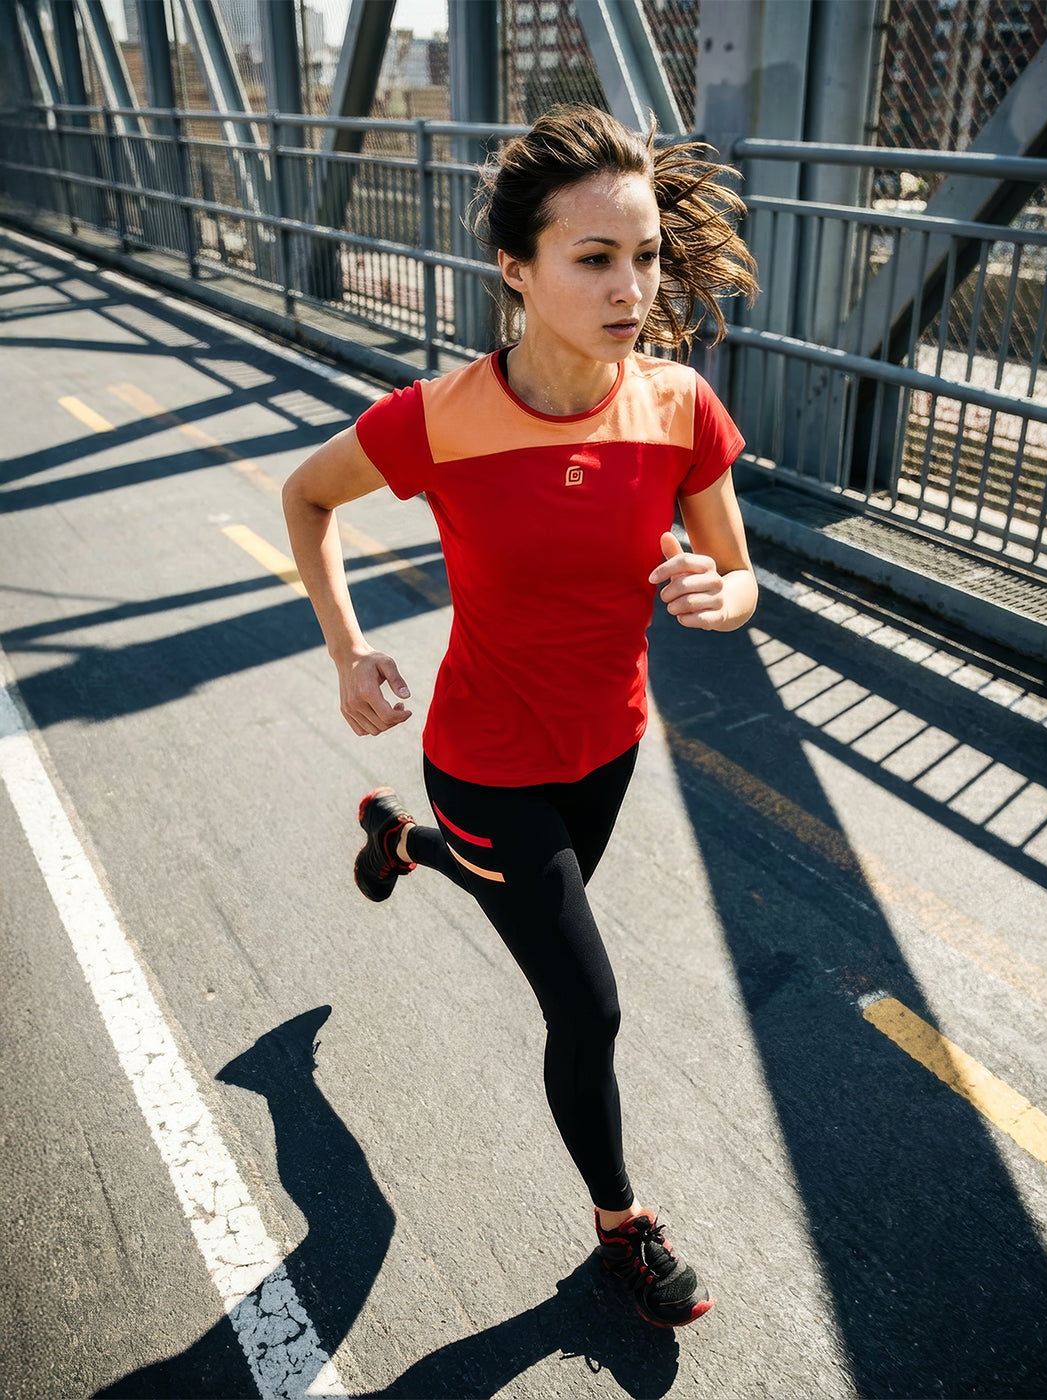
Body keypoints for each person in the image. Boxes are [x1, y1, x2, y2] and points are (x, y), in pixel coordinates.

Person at [282, 104, 759, 1329]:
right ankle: (620, 1228)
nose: (630, 286)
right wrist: (348, 653)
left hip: (607, 751)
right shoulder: (438, 417)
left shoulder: (679, 406)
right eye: (594, 259)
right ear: (516, 267)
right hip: (486, 759)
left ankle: (395, 844)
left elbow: (739, 573)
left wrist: (724, 594)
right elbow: (305, 498)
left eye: (644, 256)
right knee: (586, 1005)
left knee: (526, 902)